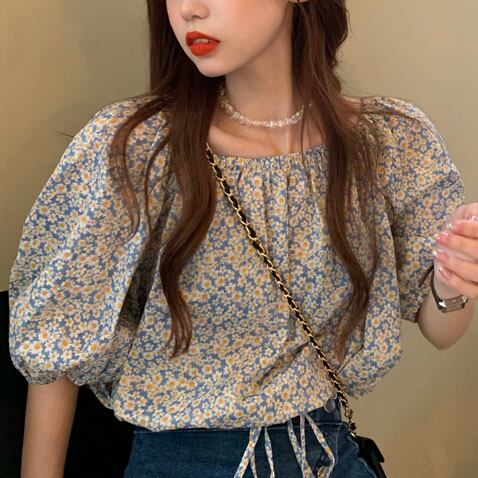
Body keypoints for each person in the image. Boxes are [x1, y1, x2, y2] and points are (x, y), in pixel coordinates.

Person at [8, 0, 476, 477]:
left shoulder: (388, 141)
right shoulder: (138, 148)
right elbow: (55, 343)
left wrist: (453, 277)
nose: (189, 10)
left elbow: (442, 331)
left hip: (329, 456)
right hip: (187, 462)